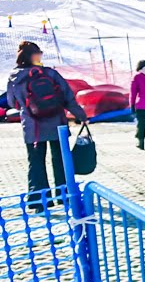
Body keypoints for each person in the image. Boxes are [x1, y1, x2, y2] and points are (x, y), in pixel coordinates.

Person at [5, 41, 87, 200]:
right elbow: (67, 96)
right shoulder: (50, 74)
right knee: (61, 160)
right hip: (57, 125)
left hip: (32, 128)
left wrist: (26, 107)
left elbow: (11, 102)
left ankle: (39, 200)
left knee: (35, 163)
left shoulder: (15, 77)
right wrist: (81, 115)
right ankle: (65, 196)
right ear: (33, 56)